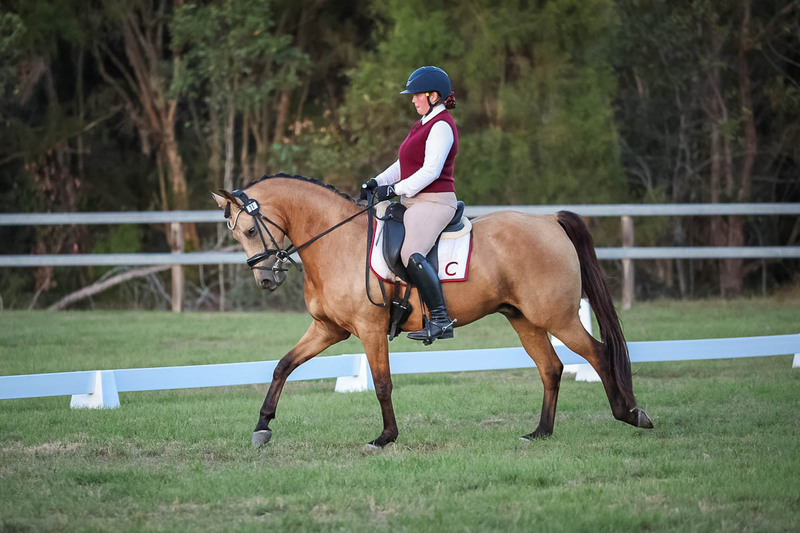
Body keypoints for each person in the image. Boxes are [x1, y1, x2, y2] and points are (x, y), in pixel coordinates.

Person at [360, 65, 459, 344]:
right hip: (413, 201)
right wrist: (377, 182)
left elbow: (430, 171)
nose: (412, 99)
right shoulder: (423, 122)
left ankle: (440, 319)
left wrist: (392, 190)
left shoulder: (441, 126)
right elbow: (403, 164)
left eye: (417, 95)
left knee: (411, 253)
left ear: (434, 95)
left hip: (435, 201)